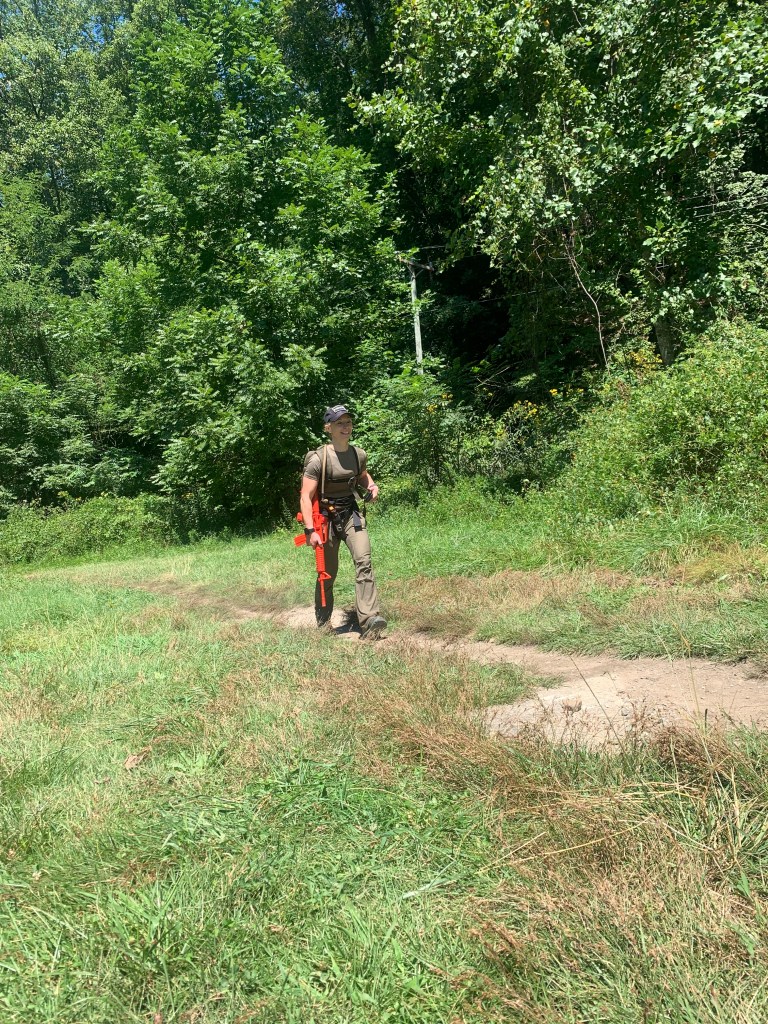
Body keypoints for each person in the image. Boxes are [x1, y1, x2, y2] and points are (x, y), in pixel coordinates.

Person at [299, 404, 387, 639]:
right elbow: (305, 496)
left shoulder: (358, 454)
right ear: (328, 428)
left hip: (351, 515)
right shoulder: (318, 459)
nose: (345, 426)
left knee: (364, 561)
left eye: (348, 422)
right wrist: (310, 530)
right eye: (340, 423)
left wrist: (372, 486)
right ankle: (323, 622)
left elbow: (362, 476)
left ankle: (369, 620)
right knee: (327, 572)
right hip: (325, 521)